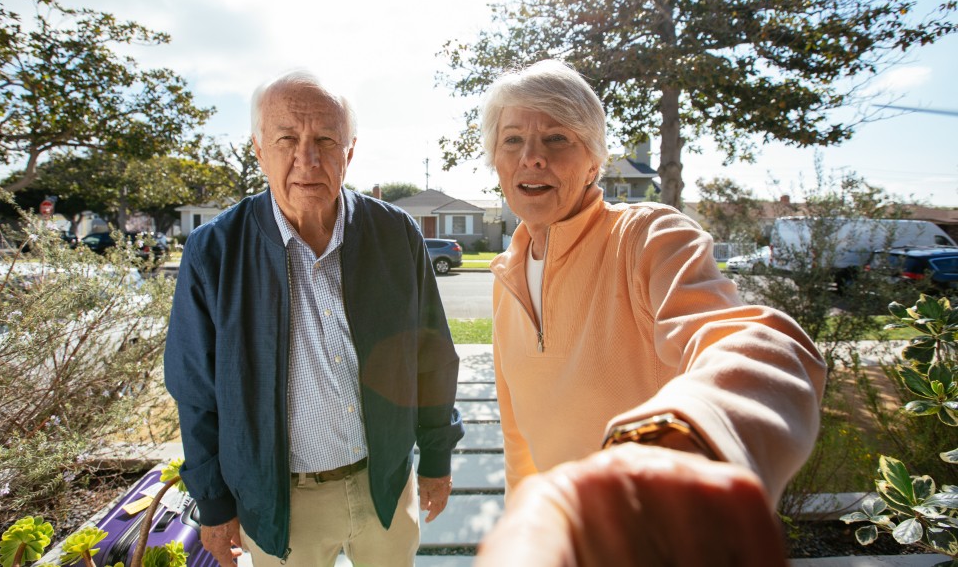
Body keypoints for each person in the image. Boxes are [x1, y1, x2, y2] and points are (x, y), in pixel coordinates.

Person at [473, 59, 827, 566]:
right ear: (495, 159)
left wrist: (680, 445)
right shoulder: (505, 275)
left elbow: (758, 346)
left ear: (594, 162)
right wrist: (526, 518)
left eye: (556, 139)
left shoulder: (649, 237)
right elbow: (519, 435)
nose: (531, 157)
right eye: (512, 140)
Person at [164, 69, 464, 567]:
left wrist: (436, 457)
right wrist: (214, 502)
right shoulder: (214, 249)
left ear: (350, 150)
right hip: (279, 504)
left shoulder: (396, 234)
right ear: (259, 150)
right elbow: (194, 388)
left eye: (326, 139)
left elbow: (432, 357)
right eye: (286, 139)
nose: (308, 158)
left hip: (385, 486)